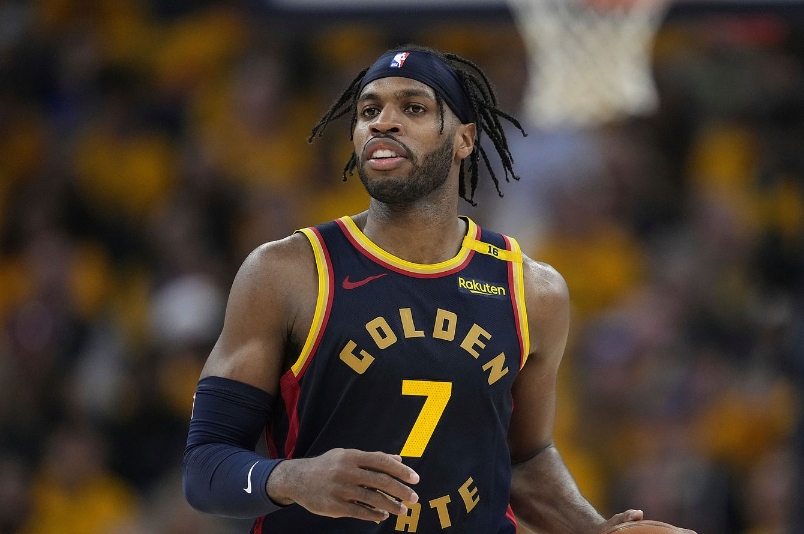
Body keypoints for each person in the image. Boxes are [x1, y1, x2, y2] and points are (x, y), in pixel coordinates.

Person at [183, 44, 663, 534]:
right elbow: (204, 467)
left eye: (413, 108)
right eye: (369, 111)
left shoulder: (531, 291)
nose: (383, 122)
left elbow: (524, 460)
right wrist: (292, 478)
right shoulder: (288, 272)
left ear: (464, 139)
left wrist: (596, 529)